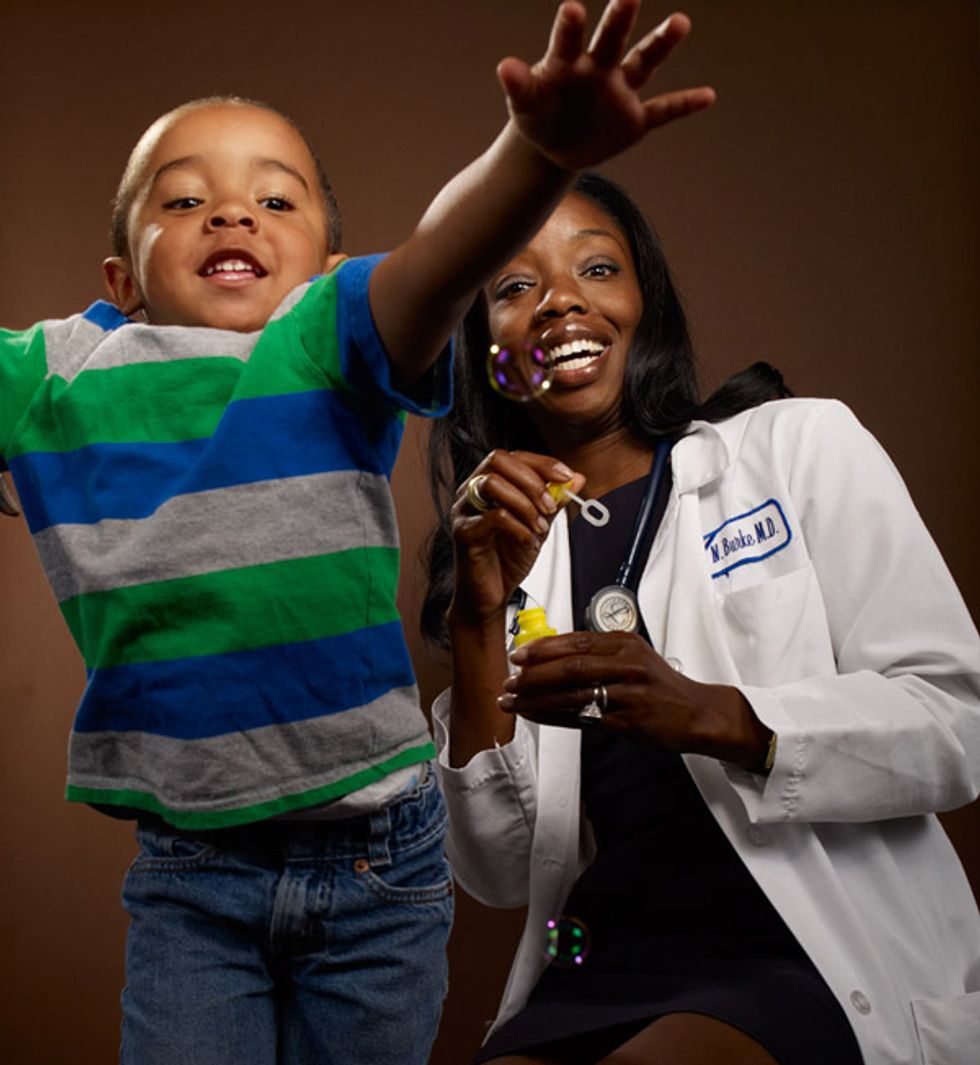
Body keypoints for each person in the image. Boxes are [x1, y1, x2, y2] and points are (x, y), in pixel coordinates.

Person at [0, 4, 717, 1062]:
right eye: (184, 197)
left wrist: (533, 151)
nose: (231, 214)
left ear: (323, 258)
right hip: (194, 871)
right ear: (119, 277)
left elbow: (438, 257)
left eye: (274, 199)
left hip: (377, 863)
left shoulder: (328, 334)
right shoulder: (53, 375)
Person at [423, 171, 980, 1065]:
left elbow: (958, 720)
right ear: (483, 341)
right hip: (604, 957)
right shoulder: (515, 556)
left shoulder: (796, 447)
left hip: (800, 951)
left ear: (643, 298)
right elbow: (495, 867)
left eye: (597, 268)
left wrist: (714, 713)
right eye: (515, 287)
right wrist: (479, 618)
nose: (561, 300)